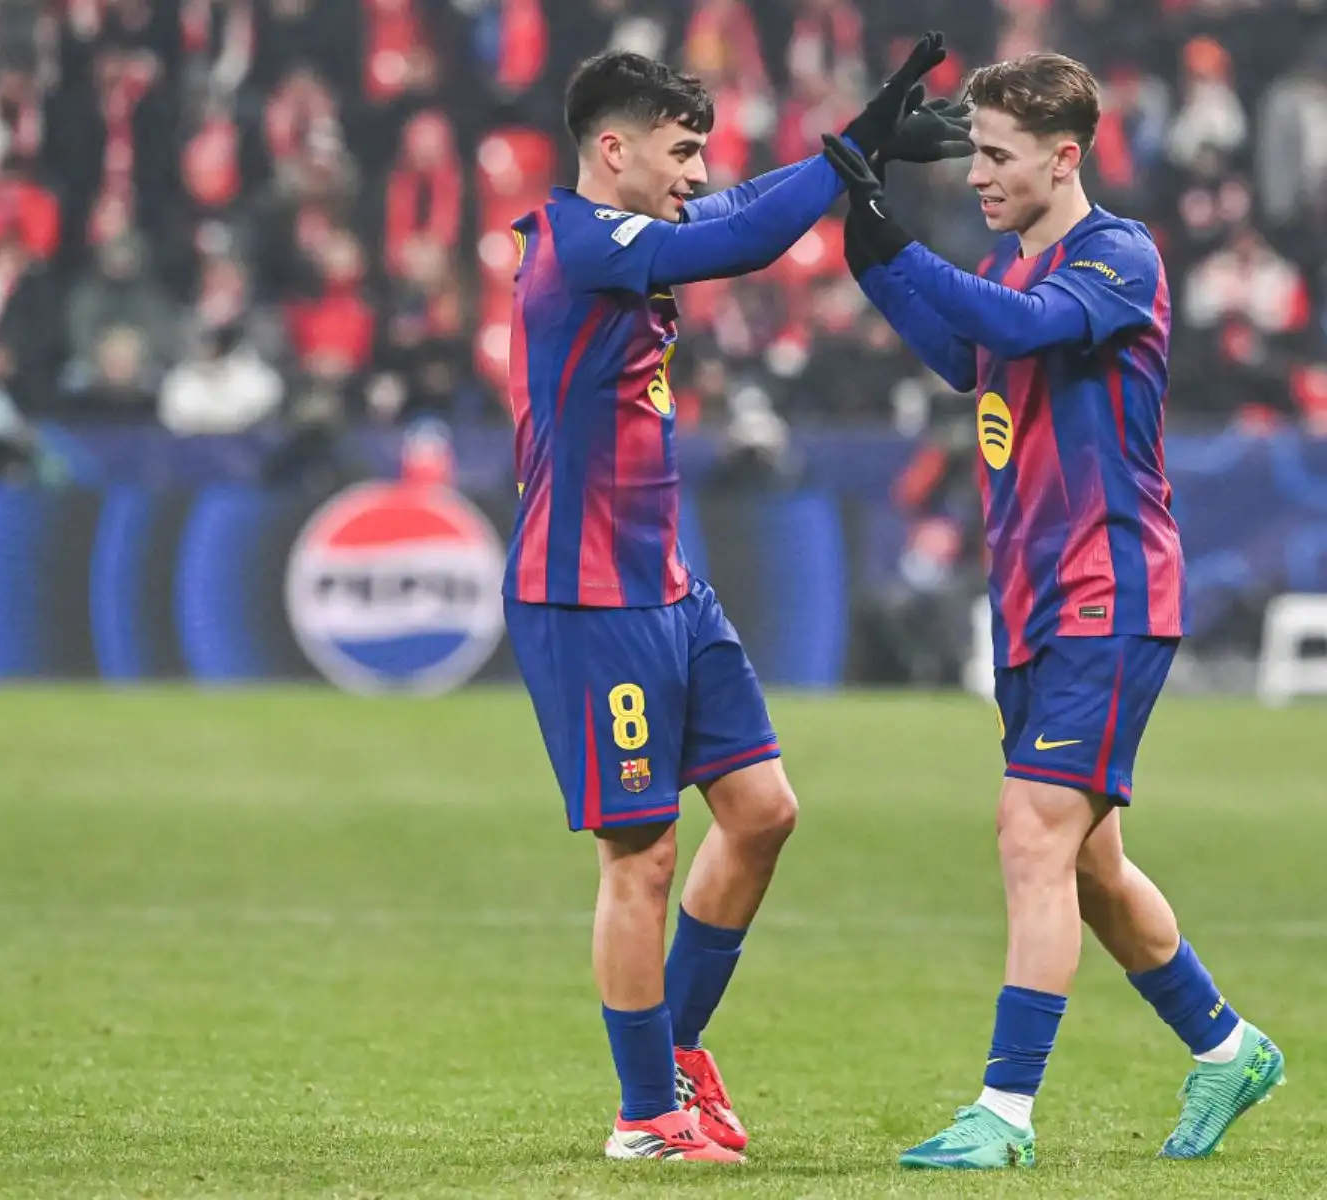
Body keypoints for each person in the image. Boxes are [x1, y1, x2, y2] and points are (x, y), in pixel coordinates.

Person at [500, 41, 969, 1164]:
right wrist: (852, 155)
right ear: (610, 149)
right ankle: (645, 1118)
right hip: (587, 594)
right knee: (642, 857)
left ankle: (676, 1053)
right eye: (679, 150)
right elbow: (747, 236)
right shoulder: (572, 240)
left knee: (762, 812)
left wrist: (843, 153)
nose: (697, 171)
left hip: (667, 584)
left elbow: (746, 206)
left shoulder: (633, 239)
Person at [832, 51, 1285, 1169]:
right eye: (974, 151)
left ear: (1064, 157)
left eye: (996, 155)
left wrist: (896, 240)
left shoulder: (1116, 256)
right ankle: (1227, 1048)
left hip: (1111, 590)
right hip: (1032, 600)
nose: (978, 173)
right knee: (1088, 866)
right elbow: (956, 345)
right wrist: (860, 220)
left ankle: (1005, 1112)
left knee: (1030, 832)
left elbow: (1020, 329)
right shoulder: (1006, 270)